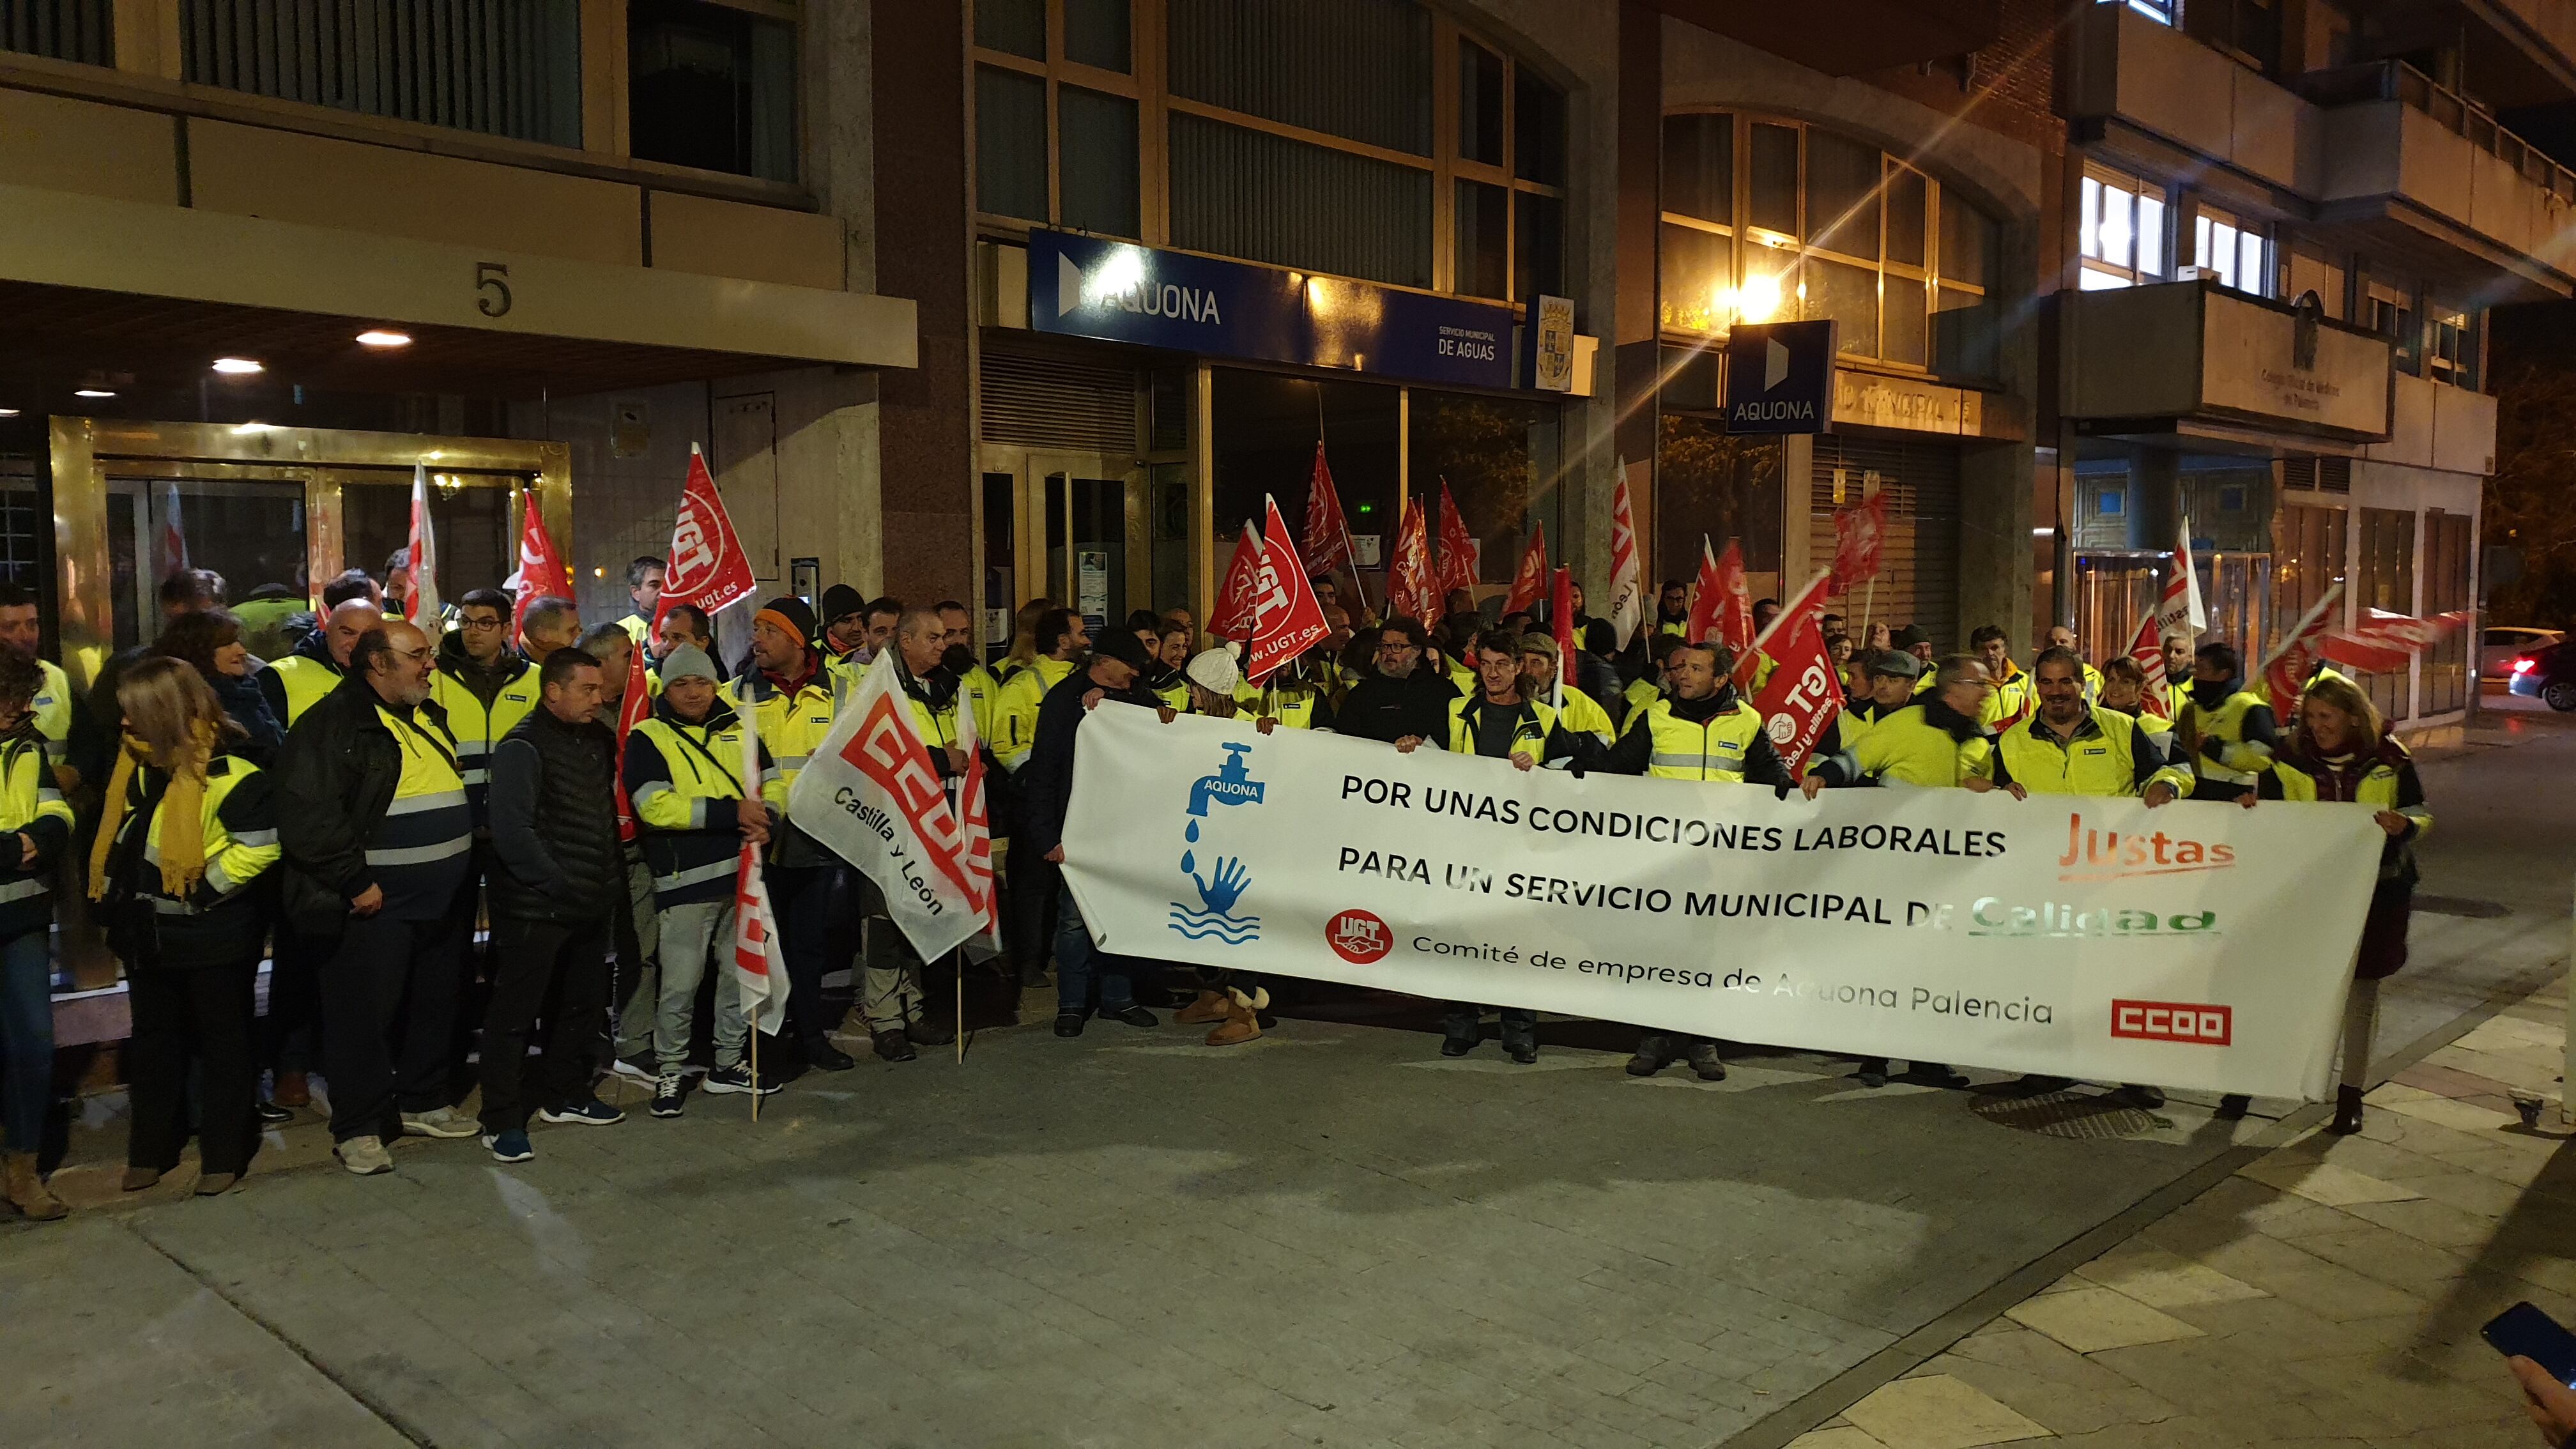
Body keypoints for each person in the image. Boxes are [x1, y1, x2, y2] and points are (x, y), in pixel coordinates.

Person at [275, 619, 480, 1175]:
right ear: (378, 664)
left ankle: (423, 1099)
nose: (430, 665)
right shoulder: (330, 726)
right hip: (377, 904)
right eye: (417, 656)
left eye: (429, 654)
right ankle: (359, 1127)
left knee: (433, 1005)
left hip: (441, 900)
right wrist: (353, 881)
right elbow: (308, 816)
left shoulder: (425, 716)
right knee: (363, 1018)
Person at [88, 658, 279, 1197]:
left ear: (164, 713)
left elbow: (260, 847)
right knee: (153, 1045)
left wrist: (200, 891)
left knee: (225, 1045)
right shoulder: (137, 765)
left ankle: (223, 1154)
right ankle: (150, 1151)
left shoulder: (231, 772)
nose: (123, 724)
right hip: (149, 935)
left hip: (213, 936)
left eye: (133, 714)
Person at [1986, 647, 2196, 1110]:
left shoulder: (2125, 730)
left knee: (2120, 978)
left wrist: (2167, 786)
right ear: (2036, 686)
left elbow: (2177, 769)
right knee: (2051, 974)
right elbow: (1982, 790)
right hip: (2046, 880)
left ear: (2083, 684)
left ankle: (2135, 1072)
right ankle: (2050, 1063)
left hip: (2115, 877)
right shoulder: (2011, 741)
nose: (2057, 692)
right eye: (2047, 683)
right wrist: (1990, 791)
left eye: (2067, 682)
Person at [1601, 640, 1793, 1083]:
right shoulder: (1655, 716)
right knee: (1660, 947)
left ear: (1721, 678)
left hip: (1720, 858)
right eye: (1679, 667)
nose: (1681, 673)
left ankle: (1702, 1039)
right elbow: (1615, 769)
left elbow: (1772, 774)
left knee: (1708, 950)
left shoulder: (1747, 720)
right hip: (1665, 857)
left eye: (1695, 668)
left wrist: (1797, 791)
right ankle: (1655, 1036)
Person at [1802, 656, 1998, 1090]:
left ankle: (1927, 1060)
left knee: (1932, 968)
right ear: (1954, 688)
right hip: (1897, 869)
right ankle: (1875, 1057)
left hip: (1944, 872)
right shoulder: (1908, 723)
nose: (1986, 693)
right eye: (1979, 685)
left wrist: (1995, 789)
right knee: (1887, 961)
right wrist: (1822, 776)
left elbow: (1968, 782)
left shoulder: (1970, 734)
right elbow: (1855, 758)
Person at [1402, 630, 1593, 1063]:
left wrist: (1540, 768)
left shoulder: (1543, 718)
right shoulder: (1455, 711)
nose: (1492, 673)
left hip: (1519, 848)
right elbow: (1426, 758)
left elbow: (1572, 775)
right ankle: (1461, 1025)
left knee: (1518, 938)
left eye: (1502, 665)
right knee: (1461, 936)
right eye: (1485, 664)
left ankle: (1519, 1030)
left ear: (1519, 667)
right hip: (1465, 845)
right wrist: (1410, 747)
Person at [2253, 676, 2428, 1135]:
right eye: (2310, 717)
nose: (2316, 726)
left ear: (2352, 716)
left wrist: (2403, 825)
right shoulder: (2286, 760)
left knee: (2362, 993)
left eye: (2325, 717)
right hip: (2309, 891)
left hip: (2380, 889)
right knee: (2296, 987)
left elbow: (2421, 811)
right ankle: (2269, 1077)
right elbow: (2268, 817)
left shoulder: (2391, 758)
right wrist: (2251, 810)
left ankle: (2351, 1095)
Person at [476, 647, 626, 1162]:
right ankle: (501, 1119)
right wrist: (559, 883)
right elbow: (514, 831)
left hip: (587, 901)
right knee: (515, 1015)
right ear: (553, 692)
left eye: (600, 688)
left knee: (579, 1006)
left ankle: (566, 1094)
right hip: (538, 908)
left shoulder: (595, 739)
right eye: (586, 689)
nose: (598, 698)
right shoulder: (523, 747)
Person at [625, 643, 781, 1114]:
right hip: (684, 882)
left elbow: (773, 781)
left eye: (700, 682)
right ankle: (670, 1071)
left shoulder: (741, 727)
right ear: (665, 689)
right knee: (681, 984)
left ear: (715, 684)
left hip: (743, 877)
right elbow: (654, 806)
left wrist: (769, 815)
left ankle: (728, 1063)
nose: (692, 692)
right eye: (680, 683)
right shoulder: (647, 737)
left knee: (737, 977)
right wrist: (733, 812)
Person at [728, 597, 856, 1072]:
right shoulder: (733, 694)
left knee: (806, 947)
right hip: (755, 845)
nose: (756, 638)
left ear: (799, 642)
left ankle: (810, 1035)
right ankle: (761, 1042)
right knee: (755, 944)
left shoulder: (846, 690)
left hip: (813, 840)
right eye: (756, 628)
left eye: (770, 630)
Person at [1021, 627, 1163, 1037]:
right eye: (1130, 668)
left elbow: (1162, 730)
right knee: (1072, 920)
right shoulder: (1063, 701)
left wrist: (1126, 704)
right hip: (1076, 829)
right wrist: (1047, 836)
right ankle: (1072, 1004)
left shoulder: (1135, 697)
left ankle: (1119, 998)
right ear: (1104, 662)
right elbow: (1044, 771)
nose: (1135, 676)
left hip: (1125, 829)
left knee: (1120, 913)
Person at [856, 609, 967, 1062]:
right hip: (890, 824)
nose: (943, 645)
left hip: (934, 821)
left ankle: (912, 1009)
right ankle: (885, 1020)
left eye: (944, 637)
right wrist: (943, 761)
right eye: (933, 638)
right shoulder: (877, 686)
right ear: (905, 641)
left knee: (919, 916)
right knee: (884, 924)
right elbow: (878, 750)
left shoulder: (944, 688)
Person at [0, 650, 73, 1220]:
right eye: (11, 698)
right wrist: (14, 848)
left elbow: (57, 814)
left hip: (21, 916)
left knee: (32, 1044)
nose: (23, 709)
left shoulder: (26, 744)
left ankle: (21, 1169)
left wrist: (41, 837)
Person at [158, 608, 284, 765]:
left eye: (238, 641)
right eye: (227, 644)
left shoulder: (248, 691)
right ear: (199, 651)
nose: (242, 651)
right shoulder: (195, 705)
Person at [256, 597, 380, 729]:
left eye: (366, 637)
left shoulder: (389, 676)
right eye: (347, 633)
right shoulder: (277, 677)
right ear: (327, 629)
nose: (356, 644)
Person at [2177, 641, 2276, 802]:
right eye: (2195, 669)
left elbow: (2264, 759)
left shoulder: (2251, 707)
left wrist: (2215, 748)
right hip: (2194, 802)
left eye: (2203, 670)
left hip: (2237, 803)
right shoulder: (2191, 710)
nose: (2196, 675)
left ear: (2223, 674)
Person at [1337, 617, 1458, 745]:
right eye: (1384, 646)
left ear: (1416, 650)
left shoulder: (1442, 692)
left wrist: (1425, 746)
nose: (1388, 653)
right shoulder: (1363, 693)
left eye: (1397, 646)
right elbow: (1344, 740)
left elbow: (1455, 740)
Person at [998, 607, 1087, 771]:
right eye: (1081, 634)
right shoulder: (1020, 686)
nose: (1088, 641)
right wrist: (1037, 777)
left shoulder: (1089, 678)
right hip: (1045, 786)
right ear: (1063, 641)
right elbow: (1008, 747)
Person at [1515, 634, 1616, 746]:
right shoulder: (1507, 698)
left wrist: (1576, 743)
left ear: (1553, 667)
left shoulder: (1576, 702)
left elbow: (1606, 741)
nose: (1527, 671)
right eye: (1522, 663)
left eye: (1536, 663)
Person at [1969, 624, 2034, 731]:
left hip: (2017, 745)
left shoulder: (2025, 682)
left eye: (1995, 648)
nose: (1990, 653)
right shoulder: (1968, 685)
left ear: (2004, 651)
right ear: (1974, 653)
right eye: (1983, 649)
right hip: (1984, 746)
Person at [2045, 624, 2103, 703]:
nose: (2057, 645)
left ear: (2074, 643)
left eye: (2063, 642)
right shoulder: (2031, 679)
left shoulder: (2095, 676)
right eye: (2052, 642)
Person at [615, 556, 666, 641]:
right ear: (636, 593)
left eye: (668, 585)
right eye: (654, 585)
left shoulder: (683, 626)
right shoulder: (619, 633)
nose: (664, 591)